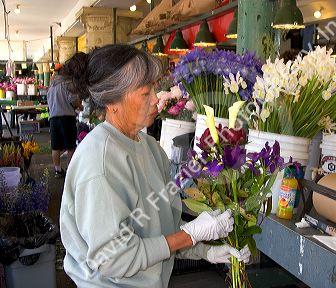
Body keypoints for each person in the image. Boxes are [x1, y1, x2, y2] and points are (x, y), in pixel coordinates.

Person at [59, 44, 250, 288]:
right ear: (112, 102)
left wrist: (204, 249)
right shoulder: (99, 161)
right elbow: (113, 258)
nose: (156, 99)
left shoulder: (149, 148)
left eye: (155, 89)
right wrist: (191, 234)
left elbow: (159, 229)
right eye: (145, 93)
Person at [47, 53, 85, 178]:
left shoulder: (52, 85)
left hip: (53, 118)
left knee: (55, 146)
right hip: (66, 118)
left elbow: (49, 101)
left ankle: (58, 170)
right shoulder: (68, 82)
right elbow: (73, 101)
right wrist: (80, 107)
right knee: (70, 146)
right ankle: (70, 170)